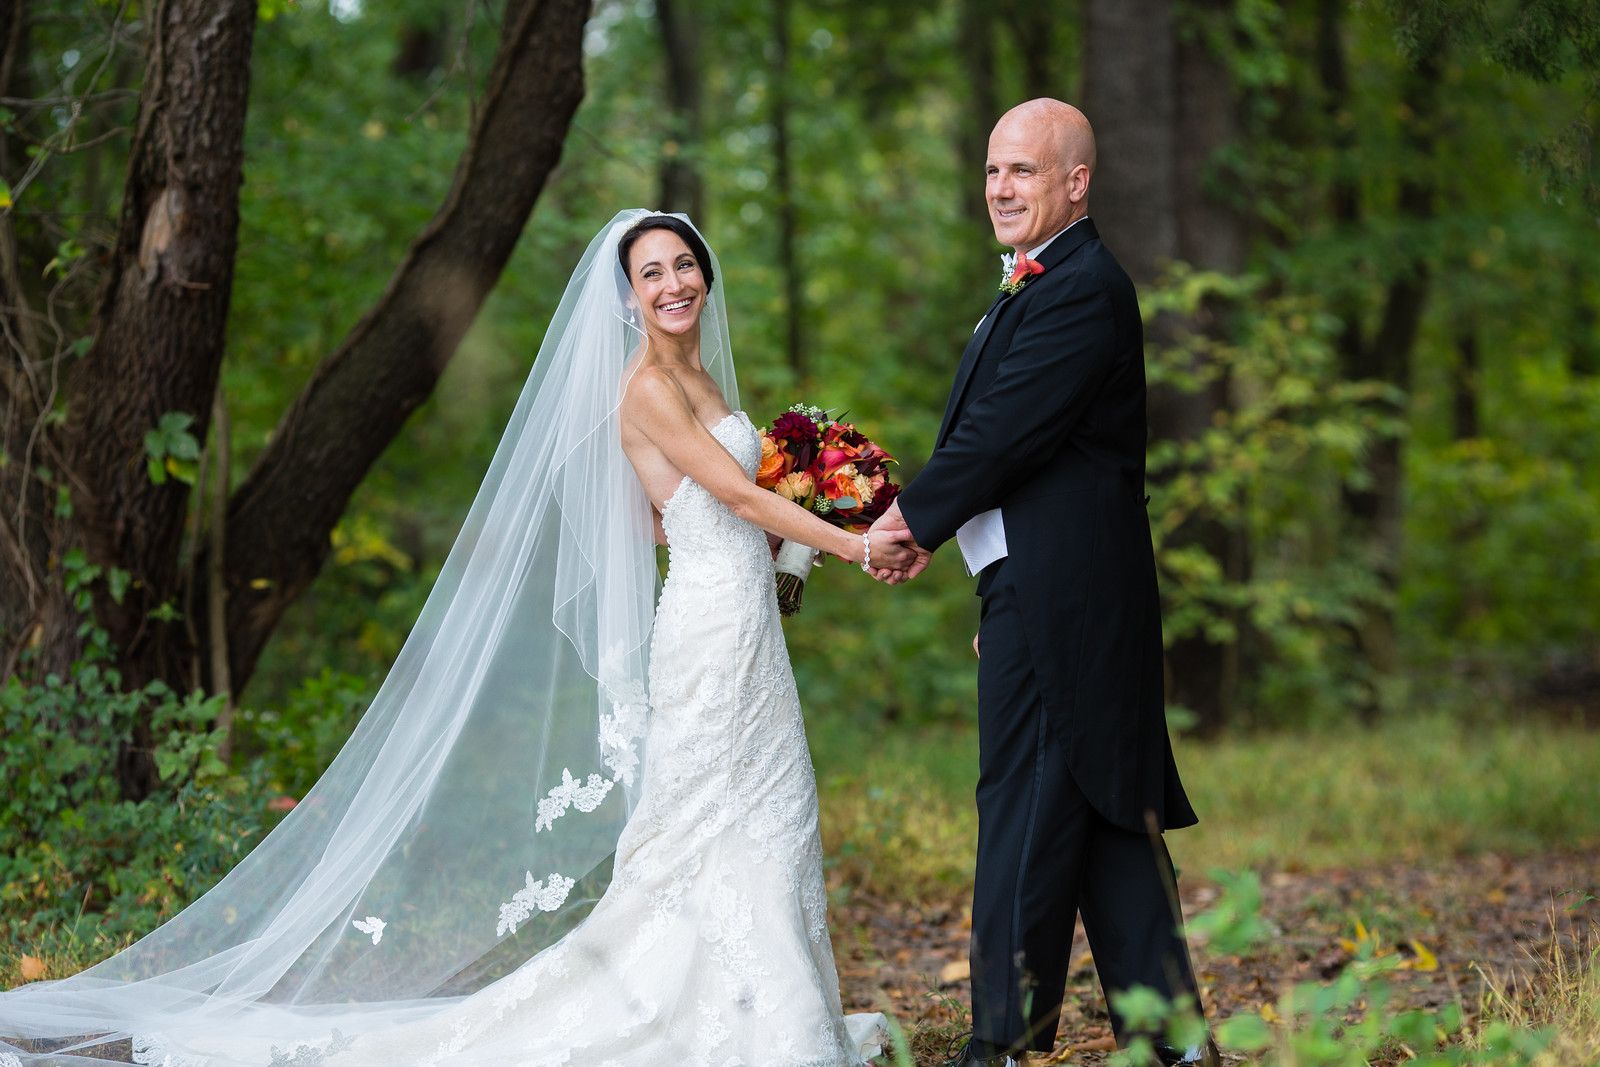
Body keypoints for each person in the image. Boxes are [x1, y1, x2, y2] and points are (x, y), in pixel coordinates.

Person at [0, 211, 910, 1066]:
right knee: (702, 826)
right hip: (707, 638)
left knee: (768, 811)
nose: (672, 283)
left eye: (683, 266)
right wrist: (856, 540)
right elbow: (743, 495)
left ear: (706, 279)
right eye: (651, 273)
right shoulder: (646, 387)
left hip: (740, 617)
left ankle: (767, 1003)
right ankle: (725, 1017)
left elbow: (667, 515)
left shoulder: (707, 379)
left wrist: (781, 527)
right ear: (626, 295)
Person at [869, 100, 1220, 1067]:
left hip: (1067, 599)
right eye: (991, 172)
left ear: (1077, 182)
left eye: (1022, 171)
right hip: (1053, 592)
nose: (1000, 189)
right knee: (1108, 812)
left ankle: (1002, 1043)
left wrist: (905, 528)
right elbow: (1018, 454)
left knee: (1022, 812)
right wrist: (1002, 584)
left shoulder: (1080, 289)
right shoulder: (1037, 286)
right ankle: (1173, 1043)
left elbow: (1003, 435)